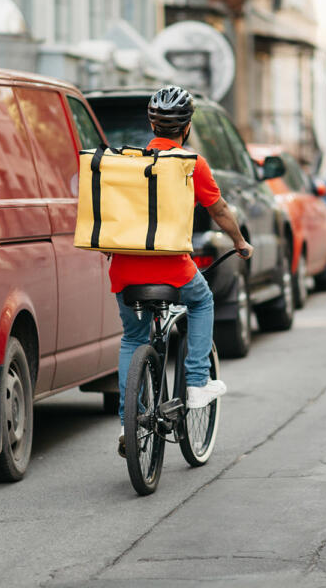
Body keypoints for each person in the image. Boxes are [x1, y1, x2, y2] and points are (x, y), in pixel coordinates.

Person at [110, 85, 253, 457]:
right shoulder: (191, 164)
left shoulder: (128, 165)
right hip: (173, 269)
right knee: (203, 302)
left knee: (132, 338)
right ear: (186, 127)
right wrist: (239, 242)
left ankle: (130, 419)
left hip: (125, 270)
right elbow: (220, 211)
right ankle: (196, 383)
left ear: (151, 125)